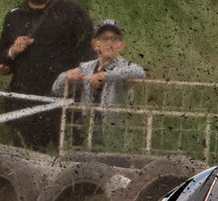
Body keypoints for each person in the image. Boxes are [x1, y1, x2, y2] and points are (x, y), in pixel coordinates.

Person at [0, 0, 93, 150]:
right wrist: (12, 51)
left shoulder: (74, 12)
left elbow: (90, 55)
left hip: (62, 104)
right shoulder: (14, 16)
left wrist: (79, 76)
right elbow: (0, 60)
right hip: (23, 105)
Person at [51, 19, 147, 148]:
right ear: (96, 44)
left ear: (121, 45)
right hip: (87, 130)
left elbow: (139, 72)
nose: (109, 43)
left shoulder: (125, 66)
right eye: (104, 39)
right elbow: (56, 89)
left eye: (114, 39)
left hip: (116, 134)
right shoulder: (87, 67)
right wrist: (67, 76)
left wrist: (105, 76)